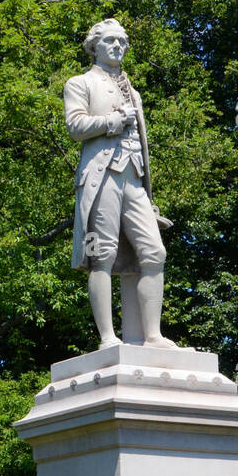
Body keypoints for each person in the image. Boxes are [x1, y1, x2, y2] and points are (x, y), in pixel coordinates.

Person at [65, 18, 174, 349]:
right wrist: (111, 122)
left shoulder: (134, 92)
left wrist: (148, 193)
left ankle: (151, 336)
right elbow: (75, 125)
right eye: (111, 41)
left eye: (123, 41)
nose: (118, 46)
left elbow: (141, 146)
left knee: (154, 253)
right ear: (94, 46)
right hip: (101, 178)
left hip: (133, 181)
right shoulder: (80, 83)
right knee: (103, 255)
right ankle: (108, 339)